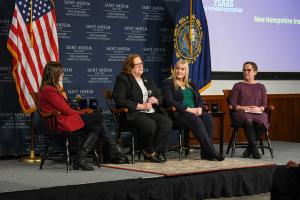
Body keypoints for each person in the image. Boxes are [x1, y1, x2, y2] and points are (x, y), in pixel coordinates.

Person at [39, 61, 127, 171]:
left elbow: (65, 108)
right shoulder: (49, 90)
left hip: (65, 119)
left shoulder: (52, 89)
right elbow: (66, 110)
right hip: (60, 123)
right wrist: (83, 112)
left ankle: (80, 158)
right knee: (98, 117)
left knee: (97, 126)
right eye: (61, 73)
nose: (63, 75)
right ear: (54, 74)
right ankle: (113, 149)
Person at [112, 53, 172, 163]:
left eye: (141, 64)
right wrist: (140, 106)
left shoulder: (146, 78)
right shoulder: (123, 78)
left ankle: (152, 151)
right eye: (137, 64)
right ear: (130, 66)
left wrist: (156, 100)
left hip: (150, 111)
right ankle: (150, 152)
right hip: (132, 114)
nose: (141, 66)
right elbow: (119, 100)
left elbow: (159, 94)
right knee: (150, 124)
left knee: (166, 122)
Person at [161, 59, 224, 161]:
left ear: (186, 71)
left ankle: (205, 153)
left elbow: (199, 98)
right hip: (178, 114)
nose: (179, 71)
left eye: (182, 69)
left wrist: (199, 107)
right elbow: (169, 101)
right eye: (177, 68)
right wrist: (188, 109)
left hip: (194, 112)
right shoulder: (168, 83)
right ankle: (212, 152)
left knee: (208, 119)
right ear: (173, 70)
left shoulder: (191, 84)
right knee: (195, 120)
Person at [230, 61, 269, 159]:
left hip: (257, 112)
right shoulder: (238, 85)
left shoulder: (261, 86)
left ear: (255, 72)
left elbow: (264, 105)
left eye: (249, 70)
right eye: (244, 70)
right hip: (242, 113)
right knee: (248, 120)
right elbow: (233, 105)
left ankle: (250, 149)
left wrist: (260, 108)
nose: (246, 72)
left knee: (262, 122)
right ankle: (255, 151)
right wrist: (245, 108)